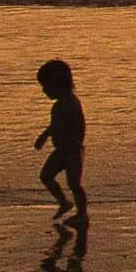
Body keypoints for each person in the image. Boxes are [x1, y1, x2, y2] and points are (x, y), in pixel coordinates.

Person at [32, 57, 88, 224]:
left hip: (72, 151)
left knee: (74, 183)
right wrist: (44, 136)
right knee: (46, 176)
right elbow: (55, 125)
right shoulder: (58, 106)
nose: (44, 91)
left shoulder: (70, 104)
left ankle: (82, 214)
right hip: (61, 151)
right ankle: (64, 202)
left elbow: (79, 129)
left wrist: (73, 150)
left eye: (46, 87)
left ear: (59, 85)